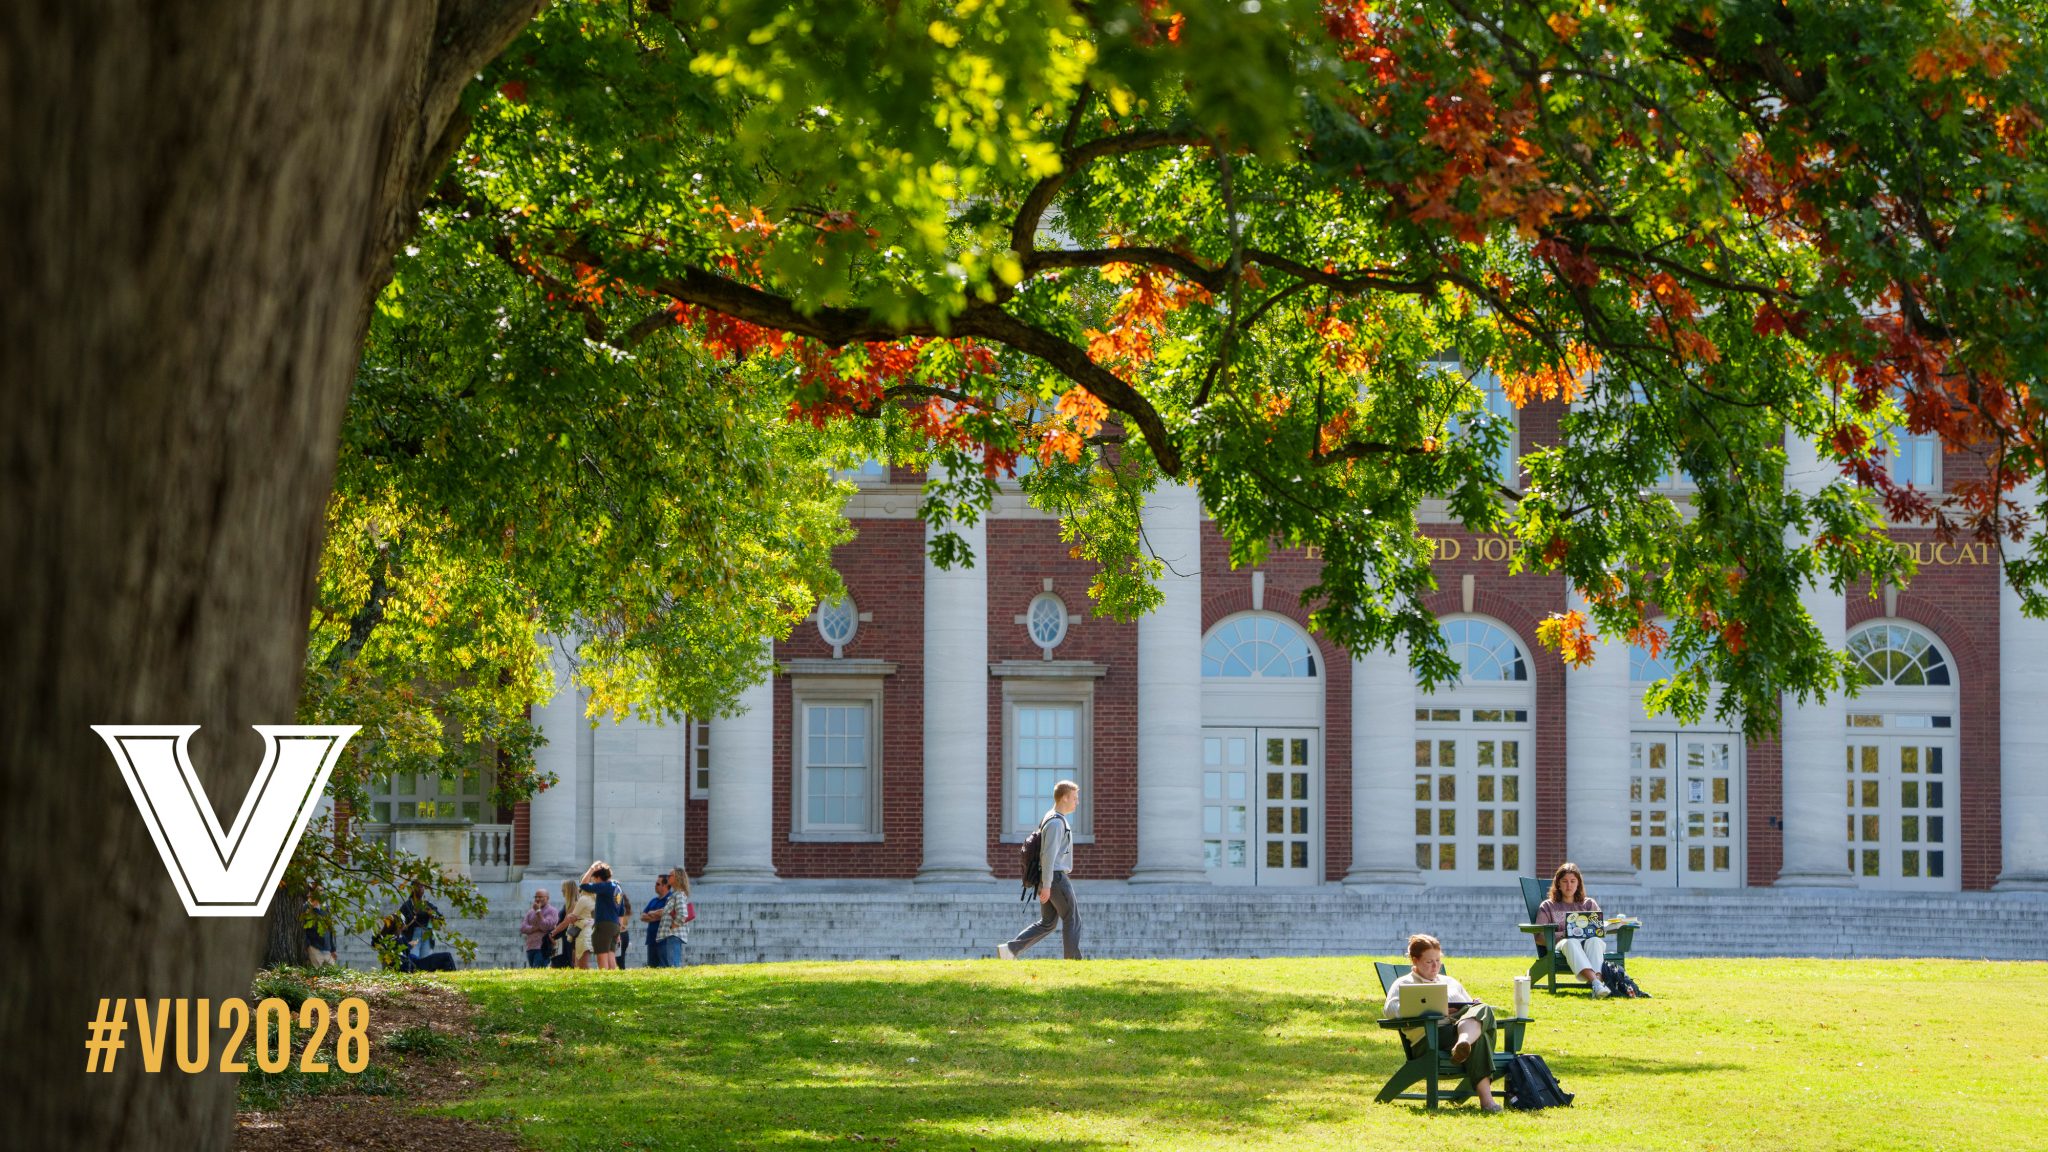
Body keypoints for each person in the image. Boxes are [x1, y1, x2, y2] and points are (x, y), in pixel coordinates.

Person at [1382, 933, 1502, 1113]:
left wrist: (1473, 1004)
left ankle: (1464, 1043)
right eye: (1429, 962)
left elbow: (1471, 1010)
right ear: (1414, 961)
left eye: (1438, 961)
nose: (1435, 966)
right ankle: (1487, 1102)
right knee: (1481, 1039)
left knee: (1483, 1009)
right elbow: (1390, 1011)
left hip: (1457, 1030)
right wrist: (1435, 1010)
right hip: (1430, 1039)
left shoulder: (1450, 982)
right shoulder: (1404, 984)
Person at [997, 779, 1082, 960]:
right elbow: (1048, 856)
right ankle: (1073, 962)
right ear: (1065, 798)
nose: (1077, 802)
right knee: (1072, 918)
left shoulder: (1050, 818)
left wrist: (1045, 883)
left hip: (1049, 878)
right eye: (1075, 798)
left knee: (1048, 923)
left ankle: (1010, 950)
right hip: (1056, 878)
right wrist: (1047, 885)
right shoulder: (1056, 823)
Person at [1535, 861, 1610, 998]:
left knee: (1595, 941)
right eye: (1564, 881)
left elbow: (1599, 929)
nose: (1569, 885)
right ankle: (1597, 983)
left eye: (1572, 881)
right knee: (1571, 941)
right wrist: (1566, 934)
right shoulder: (1548, 906)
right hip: (1562, 946)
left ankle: (1597, 985)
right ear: (1558, 884)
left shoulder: (1588, 904)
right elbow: (1539, 937)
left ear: (1578, 883)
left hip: (1587, 944)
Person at [579, 861, 625, 971]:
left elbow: (583, 885)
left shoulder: (605, 886)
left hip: (604, 924)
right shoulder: (617, 888)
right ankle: (612, 979)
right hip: (614, 925)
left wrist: (591, 869)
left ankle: (604, 978)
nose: (594, 881)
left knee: (601, 953)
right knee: (610, 953)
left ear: (599, 877)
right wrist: (619, 930)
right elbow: (621, 911)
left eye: (594, 879)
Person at [654, 867, 691, 968]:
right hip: (669, 935)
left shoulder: (679, 895)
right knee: (669, 965)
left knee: (673, 965)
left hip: (673, 935)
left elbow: (683, 914)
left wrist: (672, 927)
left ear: (677, 878)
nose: (668, 877)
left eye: (670, 875)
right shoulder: (675, 895)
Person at [554, 878, 594, 969]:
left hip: (572, 935)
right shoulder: (571, 903)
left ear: (568, 890)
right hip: (570, 934)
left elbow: (566, 922)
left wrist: (553, 932)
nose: (561, 891)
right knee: (576, 964)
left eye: (563, 889)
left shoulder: (576, 903)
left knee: (579, 964)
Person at [520, 887, 560, 969]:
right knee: (533, 972)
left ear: (547, 898)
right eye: (536, 897)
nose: (538, 899)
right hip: (530, 947)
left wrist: (538, 912)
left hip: (543, 947)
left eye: (541, 897)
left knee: (537, 971)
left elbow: (545, 926)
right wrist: (535, 928)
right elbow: (523, 928)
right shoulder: (531, 911)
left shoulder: (552, 911)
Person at [640, 872, 672, 968]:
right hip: (651, 939)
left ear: (665, 885)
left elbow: (666, 913)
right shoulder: (654, 900)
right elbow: (642, 916)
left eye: (658, 884)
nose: (655, 886)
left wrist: (651, 914)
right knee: (652, 967)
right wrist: (657, 916)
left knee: (664, 967)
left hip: (664, 940)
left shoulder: (670, 899)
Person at [303, 884, 337, 967]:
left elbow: (330, 929)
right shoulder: (305, 908)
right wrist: (308, 946)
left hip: (327, 950)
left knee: (332, 974)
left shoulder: (326, 909)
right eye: (319, 891)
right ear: (312, 893)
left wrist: (333, 949)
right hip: (314, 948)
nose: (322, 893)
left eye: (322, 890)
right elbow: (302, 929)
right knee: (317, 976)